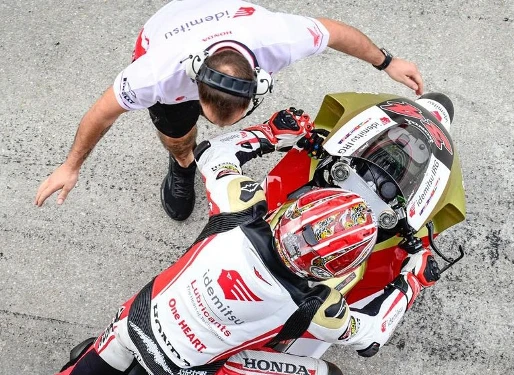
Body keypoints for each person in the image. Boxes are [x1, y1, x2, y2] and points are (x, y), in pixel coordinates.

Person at [56, 109, 440, 375]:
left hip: (133, 325)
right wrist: (414, 278)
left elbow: (213, 154)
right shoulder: (320, 305)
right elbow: (370, 337)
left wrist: (273, 133)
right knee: (329, 372)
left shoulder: (239, 207)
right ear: (336, 268)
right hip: (190, 370)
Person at [34, 0, 425, 221]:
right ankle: (183, 163)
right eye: (206, 109)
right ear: (193, 86)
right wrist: (71, 165)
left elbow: (336, 33)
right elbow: (101, 113)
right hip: (167, 33)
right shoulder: (155, 73)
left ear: (260, 84)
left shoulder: (280, 37)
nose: (211, 120)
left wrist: (386, 61)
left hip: (228, 17)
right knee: (177, 133)